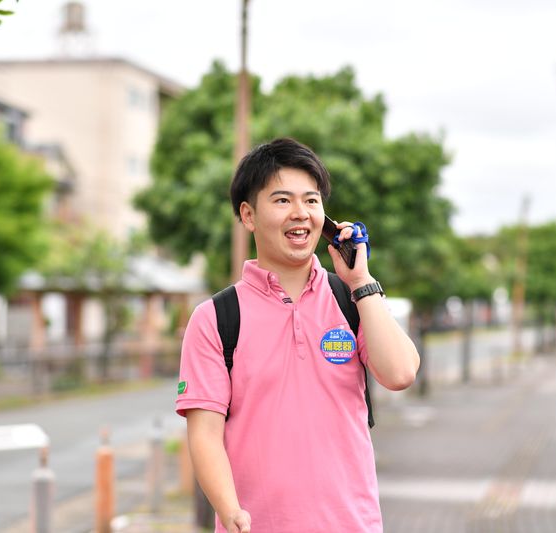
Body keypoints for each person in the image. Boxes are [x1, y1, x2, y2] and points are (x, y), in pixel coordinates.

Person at [175, 137, 421, 532]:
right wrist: (230, 510)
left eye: (311, 200)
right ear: (248, 215)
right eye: (282, 200)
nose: (300, 213)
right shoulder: (216, 318)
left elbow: (401, 373)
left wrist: (361, 280)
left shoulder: (351, 300)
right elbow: (204, 434)